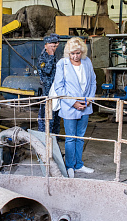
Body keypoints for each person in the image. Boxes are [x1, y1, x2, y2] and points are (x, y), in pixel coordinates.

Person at [53, 37, 96, 178]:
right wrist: (73, 103)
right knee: (71, 138)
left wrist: (89, 98)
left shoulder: (87, 62)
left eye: (77, 53)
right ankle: (70, 166)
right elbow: (59, 87)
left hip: (86, 106)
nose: (75, 56)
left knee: (80, 137)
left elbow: (93, 82)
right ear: (68, 53)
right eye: (72, 53)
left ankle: (79, 165)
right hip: (70, 107)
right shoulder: (62, 64)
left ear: (82, 52)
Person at [37, 33, 61, 134]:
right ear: (46, 45)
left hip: (55, 89)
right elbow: (47, 70)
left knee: (56, 114)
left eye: (55, 46)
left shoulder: (55, 56)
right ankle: (45, 136)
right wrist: (51, 56)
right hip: (46, 91)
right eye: (51, 46)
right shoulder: (43, 58)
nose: (53, 48)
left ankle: (55, 135)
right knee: (46, 115)